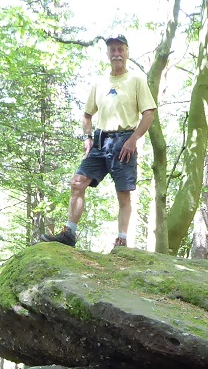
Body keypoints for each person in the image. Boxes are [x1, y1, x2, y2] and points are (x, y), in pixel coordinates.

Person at [41, 34, 157, 249]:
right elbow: (87, 114)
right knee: (77, 183)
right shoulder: (100, 82)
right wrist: (87, 136)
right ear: (107, 54)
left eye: (120, 49)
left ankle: (122, 239)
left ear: (127, 52)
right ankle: (69, 234)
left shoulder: (137, 80)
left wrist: (133, 140)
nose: (117, 54)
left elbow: (148, 114)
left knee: (123, 192)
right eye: (112, 50)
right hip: (100, 141)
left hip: (124, 140)